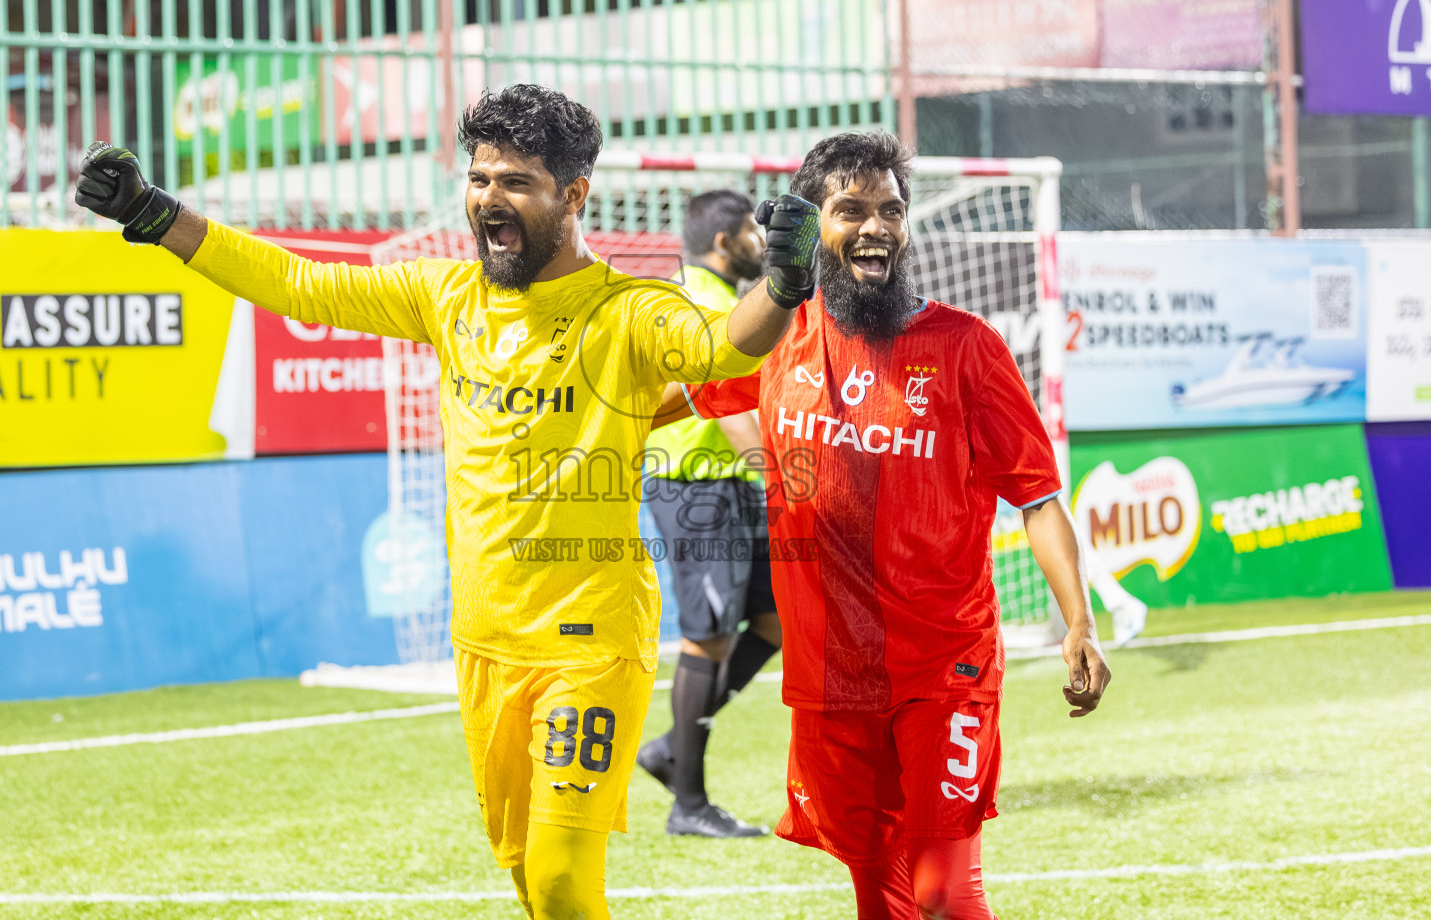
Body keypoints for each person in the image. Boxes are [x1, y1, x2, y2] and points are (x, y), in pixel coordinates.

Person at [73, 84, 823, 920]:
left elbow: (723, 345)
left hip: (589, 646)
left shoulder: (629, 311)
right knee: (530, 880)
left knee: (566, 874)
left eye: (515, 182)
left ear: (572, 196)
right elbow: (297, 283)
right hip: (483, 642)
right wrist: (151, 212)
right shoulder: (447, 296)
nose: (488, 199)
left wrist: (786, 284)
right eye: (480, 178)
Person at [654, 131, 1112, 920]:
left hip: (946, 668)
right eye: (851, 209)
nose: (877, 227)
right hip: (833, 680)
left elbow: (1037, 496)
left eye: (891, 210)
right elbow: (650, 404)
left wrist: (1079, 619)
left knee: (942, 892)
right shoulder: (770, 341)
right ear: (810, 225)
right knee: (879, 892)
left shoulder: (967, 347)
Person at [636, 190, 782, 837]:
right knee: (708, 637)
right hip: (696, 488)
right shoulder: (700, 305)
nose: (763, 243)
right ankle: (688, 806)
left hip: (727, 487)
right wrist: (783, 482)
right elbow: (727, 408)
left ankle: (671, 748)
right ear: (724, 242)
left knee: (777, 621)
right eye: (754, 231)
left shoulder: (715, 299)